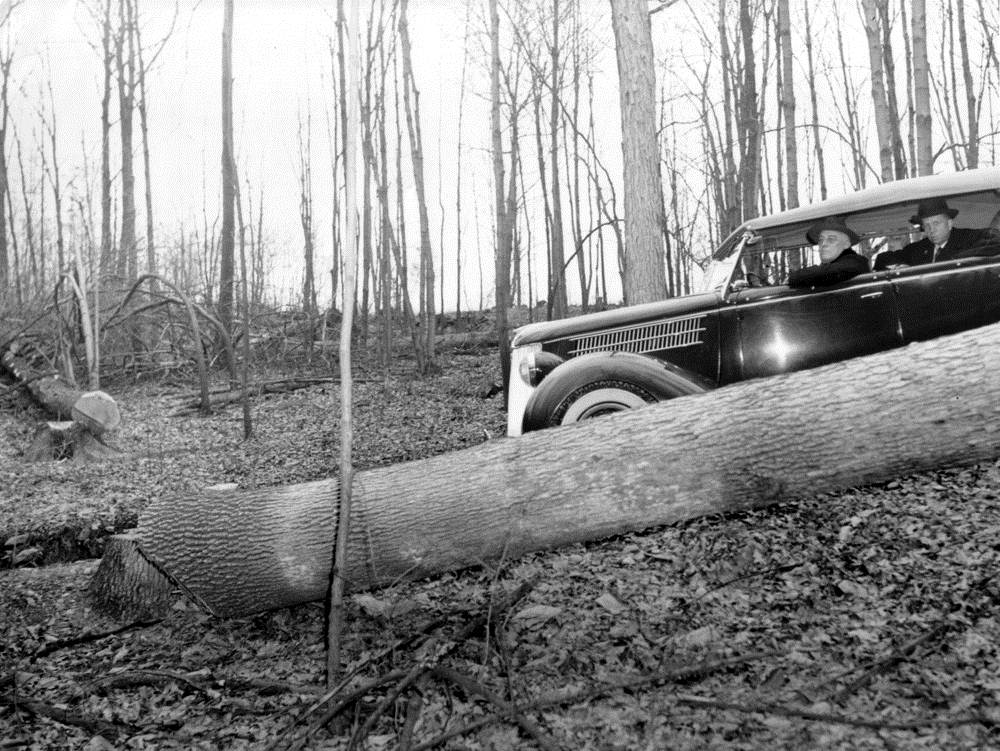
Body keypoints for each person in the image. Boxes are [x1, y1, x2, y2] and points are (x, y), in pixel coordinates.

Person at [872, 197, 1000, 270]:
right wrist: (900, 267)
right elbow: (882, 259)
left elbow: (995, 239)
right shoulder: (918, 249)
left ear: (949, 224)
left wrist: (955, 260)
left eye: (936, 223)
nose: (931, 229)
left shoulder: (966, 238)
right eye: (926, 225)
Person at [788, 216, 870, 287]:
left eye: (831, 239)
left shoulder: (856, 262)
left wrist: (795, 277)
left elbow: (828, 273)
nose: (823, 244)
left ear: (846, 244)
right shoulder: (831, 266)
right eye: (821, 240)